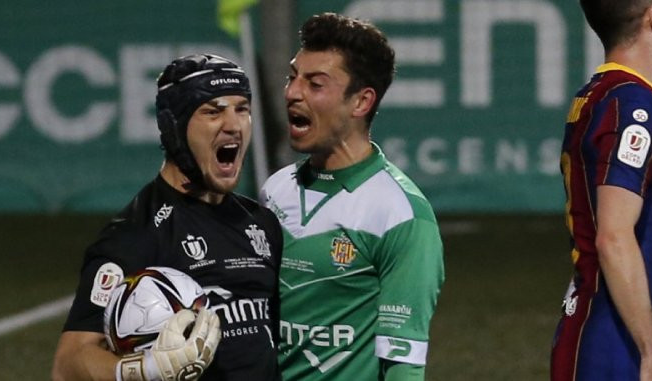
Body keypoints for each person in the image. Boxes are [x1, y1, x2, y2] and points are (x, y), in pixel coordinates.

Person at [52, 54, 283, 381]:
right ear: (173, 126)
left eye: (242, 109)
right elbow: (69, 363)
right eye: (212, 111)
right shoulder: (135, 234)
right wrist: (150, 369)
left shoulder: (262, 223)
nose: (233, 124)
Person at [260, 12, 445, 381]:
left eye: (315, 84)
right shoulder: (275, 190)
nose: (292, 93)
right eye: (292, 77)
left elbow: (402, 362)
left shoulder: (401, 215)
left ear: (361, 102)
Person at [551, 1, 652, 380]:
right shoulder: (634, 106)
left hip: (614, 333)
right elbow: (613, 235)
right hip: (617, 344)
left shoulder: (612, 94)